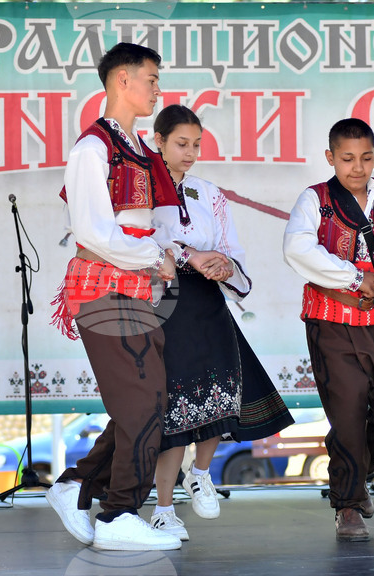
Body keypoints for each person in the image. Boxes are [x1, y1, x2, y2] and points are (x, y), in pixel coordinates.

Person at [47, 42, 182, 551]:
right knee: (144, 403)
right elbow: (95, 234)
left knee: (146, 402)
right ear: (122, 80)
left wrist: (162, 256)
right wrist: (154, 256)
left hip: (137, 286)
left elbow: (147, 224)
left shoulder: (139, 148)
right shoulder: (93, 149)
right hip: (104, 286)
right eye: (151, 79)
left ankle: (78, 484)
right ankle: (118, 513)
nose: (157, 88)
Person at [147, 105, 294, 541]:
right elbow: (139, 243)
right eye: (181, 143)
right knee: (176, 409)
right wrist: (187, 254)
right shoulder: (141, 192)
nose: (191, 152)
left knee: (222, 390)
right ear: (158, 140)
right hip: (165, 304)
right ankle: (162, 507)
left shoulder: (209, 193)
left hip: (208, 303)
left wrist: (225, 266)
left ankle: (202, 473)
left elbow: (231, 246)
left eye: (196, 144)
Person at [282, 118, 374, 542]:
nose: (358, 167)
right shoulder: (314, 199)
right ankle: (349, 505)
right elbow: (297, 247)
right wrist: (354, 278)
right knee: (348, 413)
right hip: (331, 321)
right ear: (331, 157)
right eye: (348, 158)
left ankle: (354, 467)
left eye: (367, 158)